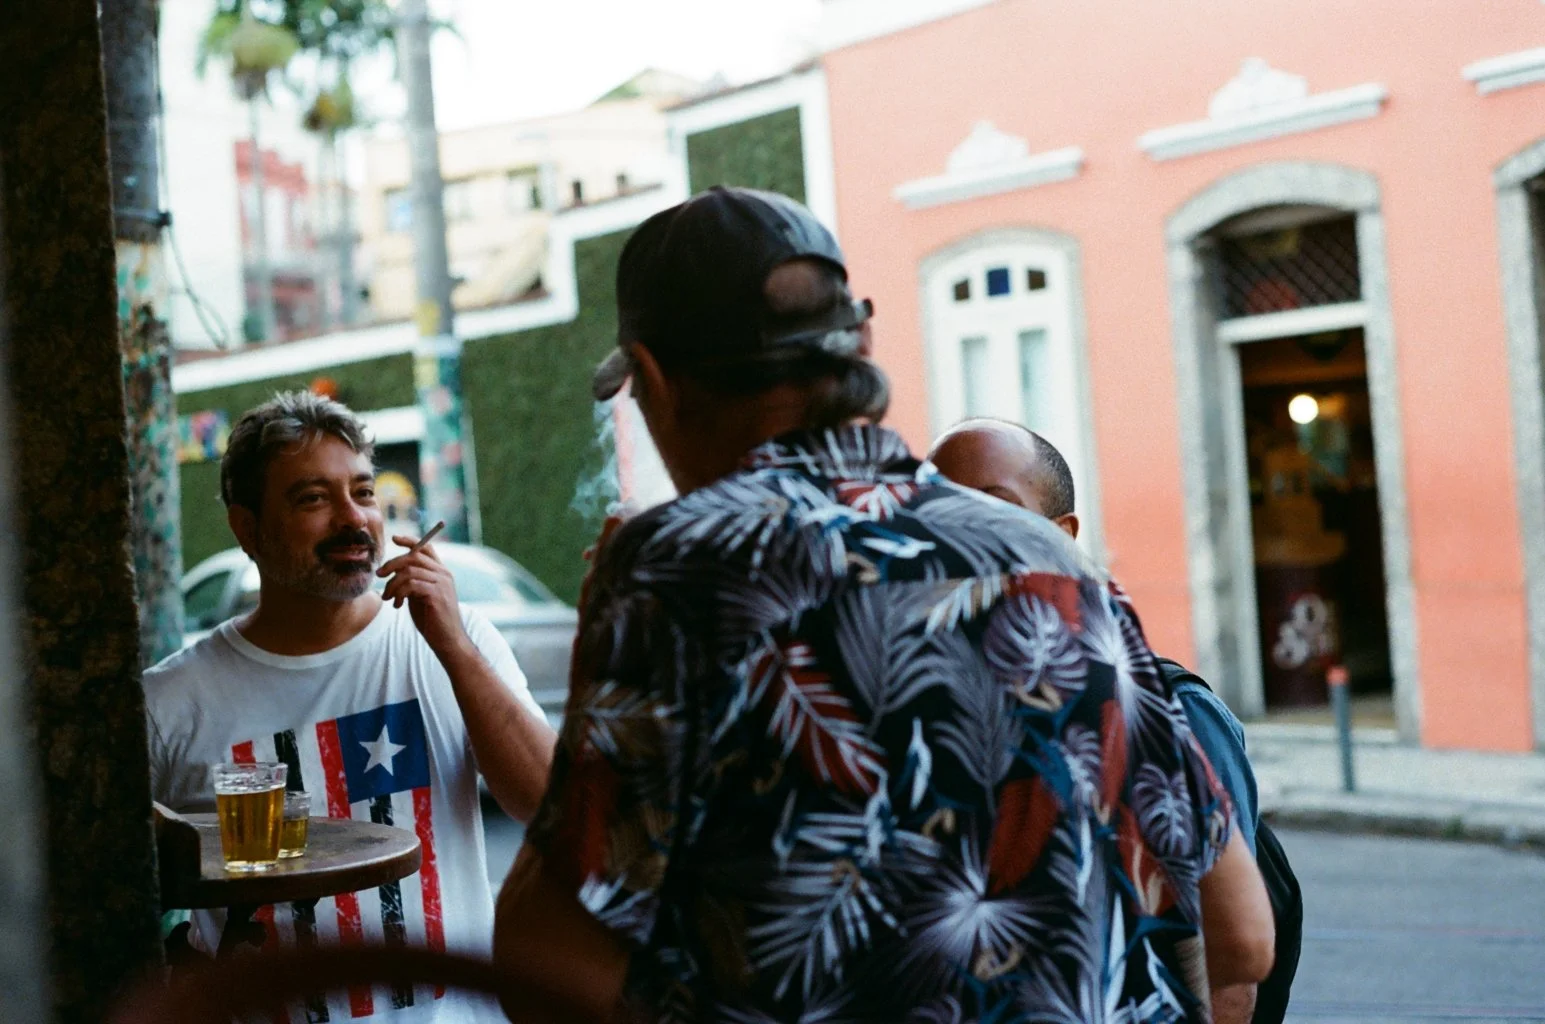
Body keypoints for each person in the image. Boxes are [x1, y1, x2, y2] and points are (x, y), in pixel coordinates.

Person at [492, 186, 1274, 1023]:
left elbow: (548, 956)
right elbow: (1240, 933)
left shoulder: (681, 566)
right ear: (859, 347)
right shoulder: (1054, 559)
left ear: (654, 381)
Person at [145, 391, 557, 1023]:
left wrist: (448, 641)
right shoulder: (172, 703)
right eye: (313, 498)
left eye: (363, 493)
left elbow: (550, 808)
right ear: (246, 528)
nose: (353, 519)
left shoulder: (455, 639)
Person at [928, 417, 1300, 1024]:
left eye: (992, 509)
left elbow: (1232, 967)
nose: (958, 534)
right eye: (938, 511)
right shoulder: (918, 707)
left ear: (1060, 537)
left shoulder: (1159, 705)